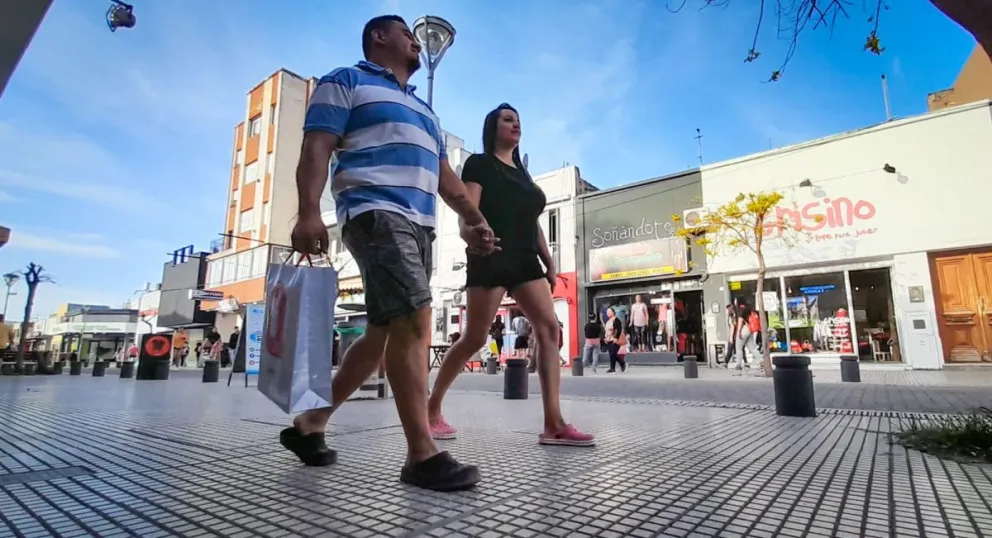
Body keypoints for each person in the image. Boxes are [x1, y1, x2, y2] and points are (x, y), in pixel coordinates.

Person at [282, 15, 498, 492]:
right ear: (379, 37)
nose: (414, 41)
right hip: (373, 211)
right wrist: (307, 214)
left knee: (383, 333)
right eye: (406, 32)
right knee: (415, 321)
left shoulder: (425, 112)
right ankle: (421, 455)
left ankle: (310, 424)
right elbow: (316, 148)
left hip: (419, 225)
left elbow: (449, 183)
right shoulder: (346, 81)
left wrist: (476, 222)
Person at [426, 103, 594, 448]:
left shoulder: (522, 173)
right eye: (507, 120)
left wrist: (549, 263)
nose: (515, 124)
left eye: (518, 120)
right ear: (492, 127)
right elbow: (464, 206)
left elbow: (531, 222)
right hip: (491, 253)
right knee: (473, 338)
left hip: (525, 260)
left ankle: (554, 423)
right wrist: (468, 233)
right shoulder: (479, 164)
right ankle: (431, 409)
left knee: (549, 329)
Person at [735, 300, 762, 369]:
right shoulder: (749, 309)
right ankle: (761, 361)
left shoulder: (741, 309)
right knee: (752, 347)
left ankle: (738, 364)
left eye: (736, 301)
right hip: (750, 329)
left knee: (738, 347)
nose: (735, 302)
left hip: (744, 329)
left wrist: (739, 331)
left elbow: (740, 321)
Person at [604, 308, 627, 374]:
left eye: (609, 311)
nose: (608, 313)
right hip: (608, 339)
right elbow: (606, 330)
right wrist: (605, 338)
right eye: (607, 312)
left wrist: (616, 338)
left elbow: (618, 329)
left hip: (614, 339)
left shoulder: (616, 320)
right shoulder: (608, 321)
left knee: (613, 353)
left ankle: (622, 363)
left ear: (613, 312)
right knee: (611, 354)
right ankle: (612, 368)